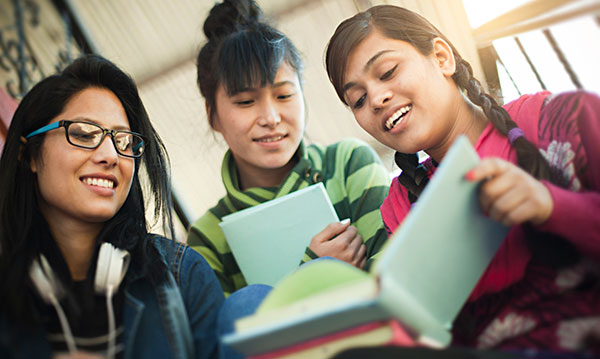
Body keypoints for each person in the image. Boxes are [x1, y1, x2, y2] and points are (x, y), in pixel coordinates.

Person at [325, 4, 600, 355]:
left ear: (441, 57)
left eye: (388, 71)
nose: (377, 100)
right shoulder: (399, 207)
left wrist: (550, 205)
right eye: (358, 100)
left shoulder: (558, 120)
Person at [0, 54, 224, 358]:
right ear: (29, 156)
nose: (111, 156)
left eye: (124, 141)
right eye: (82, 134)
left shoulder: (185, 275)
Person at [188, 0, 391, 298]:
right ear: (212, 114)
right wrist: (314, 274)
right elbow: (235, 340)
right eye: (245, 101)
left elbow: (391, 277)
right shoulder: (207, 238)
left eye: (283, 95)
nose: (271, 118)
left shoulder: (348, 164)